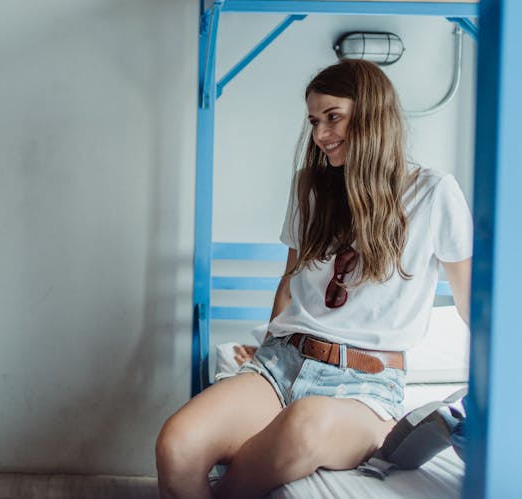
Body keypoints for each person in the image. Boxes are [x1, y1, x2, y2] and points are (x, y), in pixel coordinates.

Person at [155, 59, 473, 499]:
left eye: (333, 117)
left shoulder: (434, 193)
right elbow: (290, 281)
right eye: (314, 121)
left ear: (372, 114)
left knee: (303, 425)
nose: (321, 135)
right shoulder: (309, 186)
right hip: (281, 363)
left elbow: (471, 303)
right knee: (177, 445)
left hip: (367, 385)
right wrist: (266, 343)